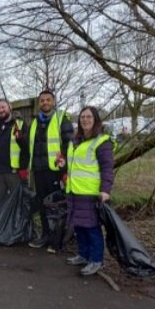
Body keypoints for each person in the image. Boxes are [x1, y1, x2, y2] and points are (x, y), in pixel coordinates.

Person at [57, 106, 113, 276]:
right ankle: (83, 254)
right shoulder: (76, 141)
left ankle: (96, 260)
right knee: (79, 225)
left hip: (91, 193)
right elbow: (76, 166)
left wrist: (105, 190)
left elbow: (107, 168)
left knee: (92, 228)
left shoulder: (102, 142)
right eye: (82, 117)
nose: (85, 120)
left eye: (89, 117)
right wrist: (63, 166)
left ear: (95, 120)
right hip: (75, 191)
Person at [26, 90, 73, 251]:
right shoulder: (34, 122)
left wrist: (65, 168)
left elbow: (69, 144)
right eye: (42, 100)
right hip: (38, 170)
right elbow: (28, 144)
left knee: (56, 205)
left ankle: (56, 239)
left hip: (55, 171)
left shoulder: (61, 119)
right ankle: (45, 235)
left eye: (48, 100)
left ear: (53, 102)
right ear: (39, 103)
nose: (45, 102)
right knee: (42, 203)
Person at [0, 98, 29, 205]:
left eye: (3, 107)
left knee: (16, 202)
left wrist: (23, 168)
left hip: (13, 172)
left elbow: (26, 149)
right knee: (0, 203)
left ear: (10, 107)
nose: (1, 110)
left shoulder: (20, 124)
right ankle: (2, 222)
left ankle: (16, 222)